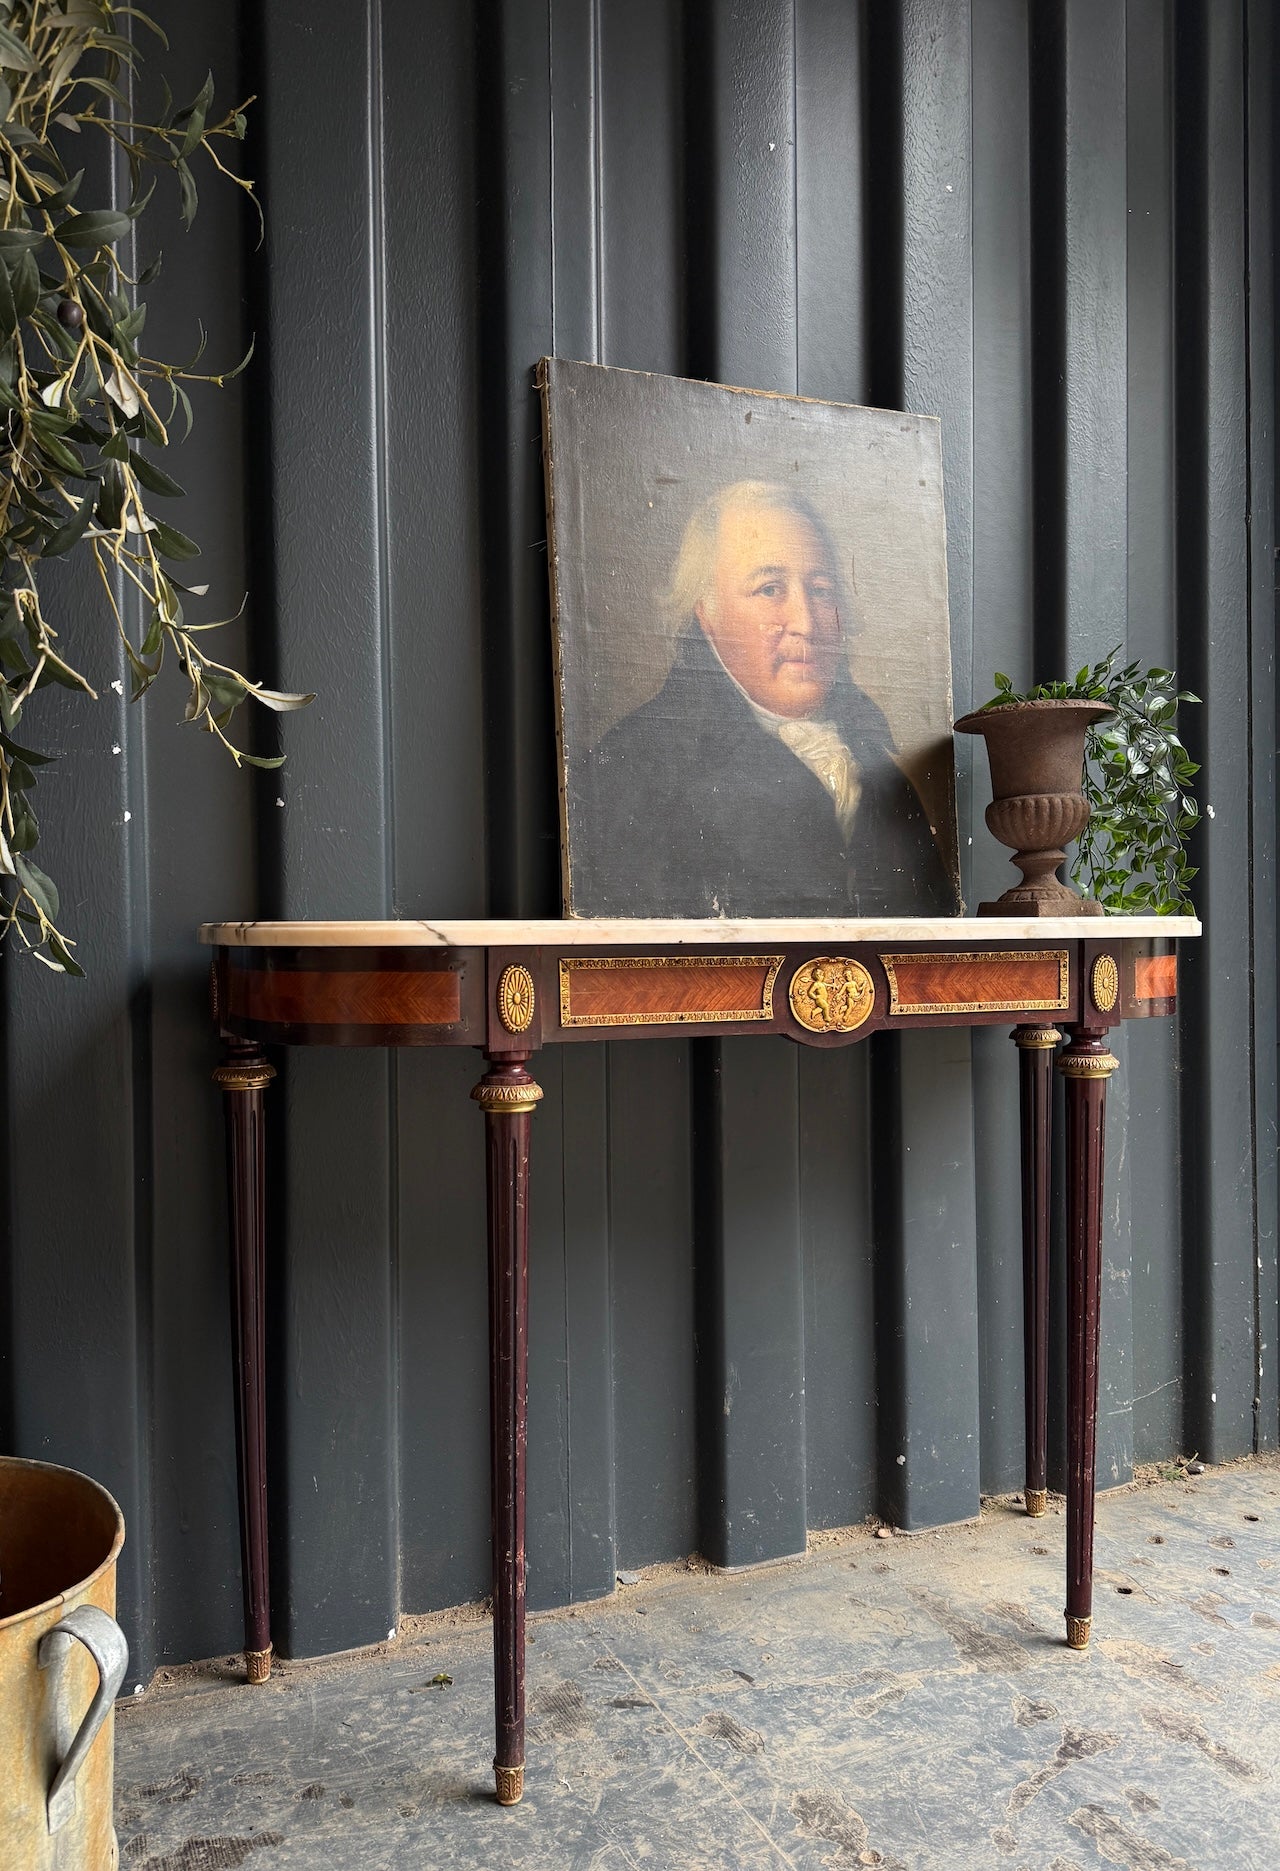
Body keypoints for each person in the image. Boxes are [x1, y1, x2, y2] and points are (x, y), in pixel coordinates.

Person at [569, 480, 958, 917]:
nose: (806, 622)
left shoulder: (880, 760)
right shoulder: (634, 767)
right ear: (706, 610)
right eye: (770, 589)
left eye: (821, 589)